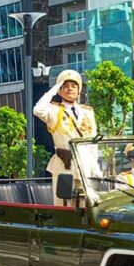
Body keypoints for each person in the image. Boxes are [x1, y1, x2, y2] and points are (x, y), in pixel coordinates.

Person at [33, 69, 100, 204]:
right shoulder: (53, 110)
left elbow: (93, 144)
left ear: (79, 90)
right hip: (64, 165)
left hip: (85, 165)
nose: (69, 89)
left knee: (85, 206)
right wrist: (55, 88)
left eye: (73, 86)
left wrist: (95, 168)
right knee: (64, 205)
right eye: (65, 86)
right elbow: (37, 110)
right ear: (60, 90)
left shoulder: (88, 112)